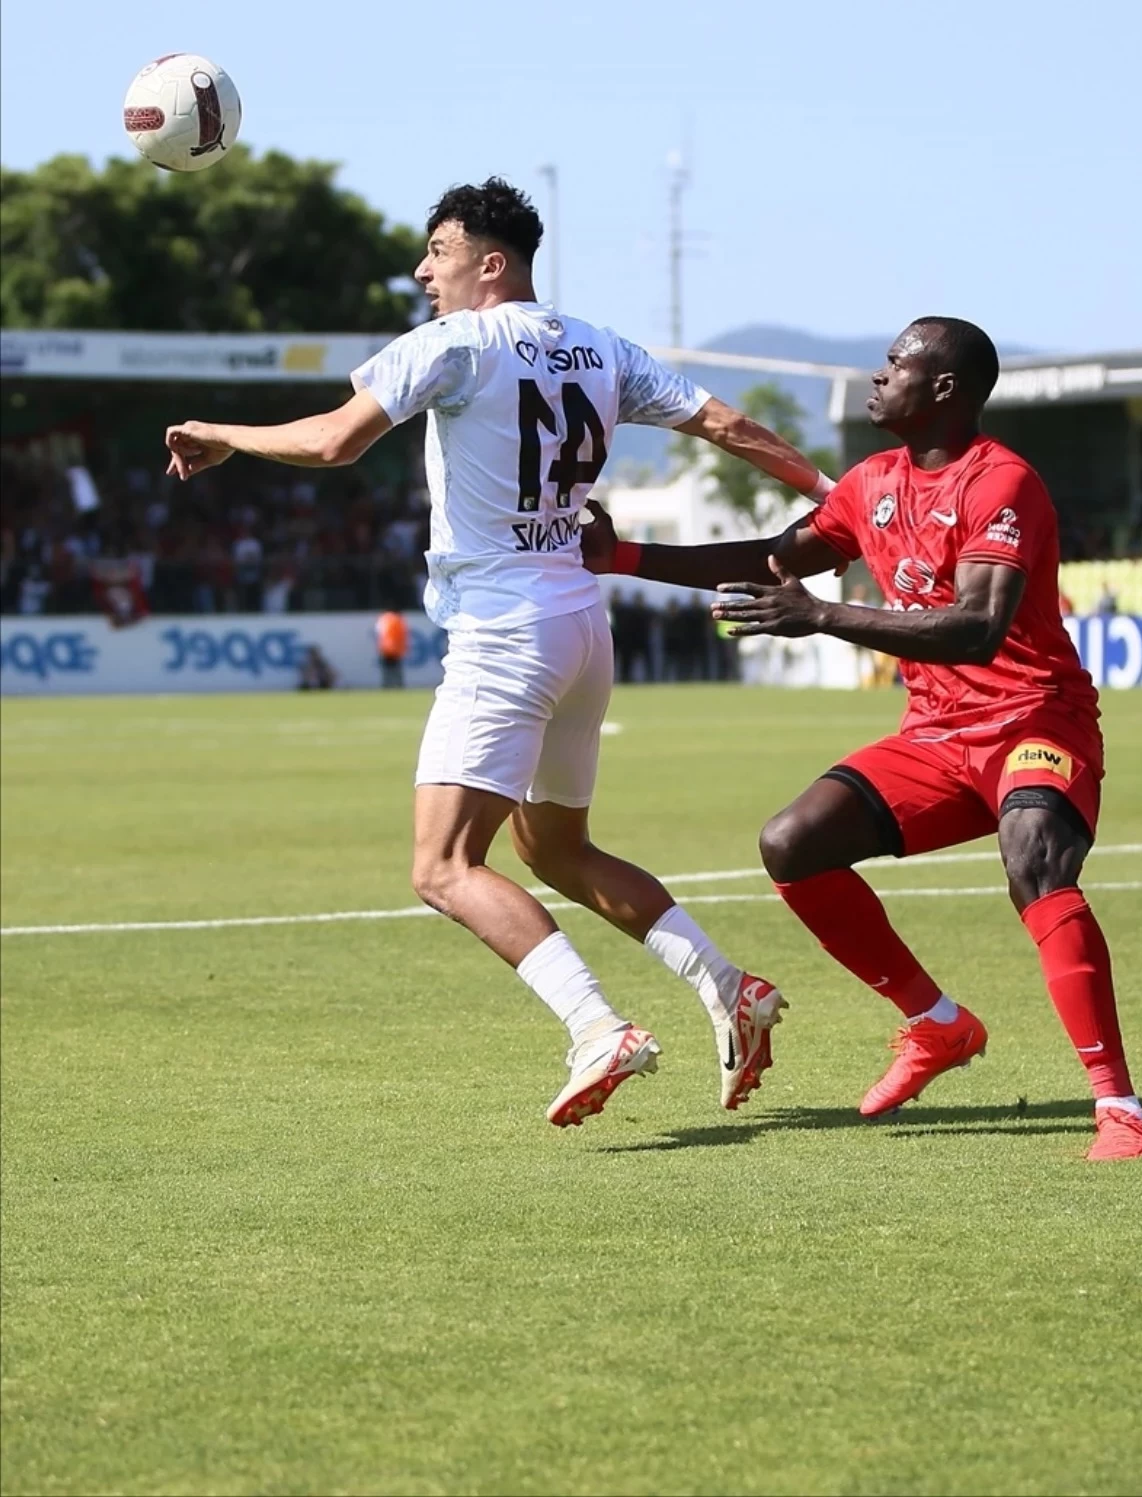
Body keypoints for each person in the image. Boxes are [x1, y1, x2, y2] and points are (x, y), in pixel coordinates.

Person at [164, 176, 835, 1128]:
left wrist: (223, 434)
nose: (420, 271)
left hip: (506, 630)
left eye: (435, 252)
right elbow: (729, 426)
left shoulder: (450, 345)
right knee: (556, 848)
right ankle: (730, 987)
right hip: (580, 623)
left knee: (441, 867)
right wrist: (840, 494)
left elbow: (333, 442)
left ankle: (597, 1027)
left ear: (490, 261)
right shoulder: (604, 346)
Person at [584, 317, 1142, 1162]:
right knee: (792, 842)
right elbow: (775, 555)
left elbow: (977, 627)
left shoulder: (1004, 483)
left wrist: (821, 616)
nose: (878, 378)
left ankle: (1119, 1105)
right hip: (934, 738)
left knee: (1034, 856)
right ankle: (936, 1025)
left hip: (1036, 721)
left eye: (896, 365)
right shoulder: (871, 481)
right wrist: (622, 556)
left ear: (946, 390)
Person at [375, 609, 409, 687]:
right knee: (396, 670)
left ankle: (387, 685)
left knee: (387, 670)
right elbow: (402, 635)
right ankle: (398, 685)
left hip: (385, 648)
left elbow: (378, 632)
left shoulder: (383, 619)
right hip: (395, 649)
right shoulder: (398, 620)